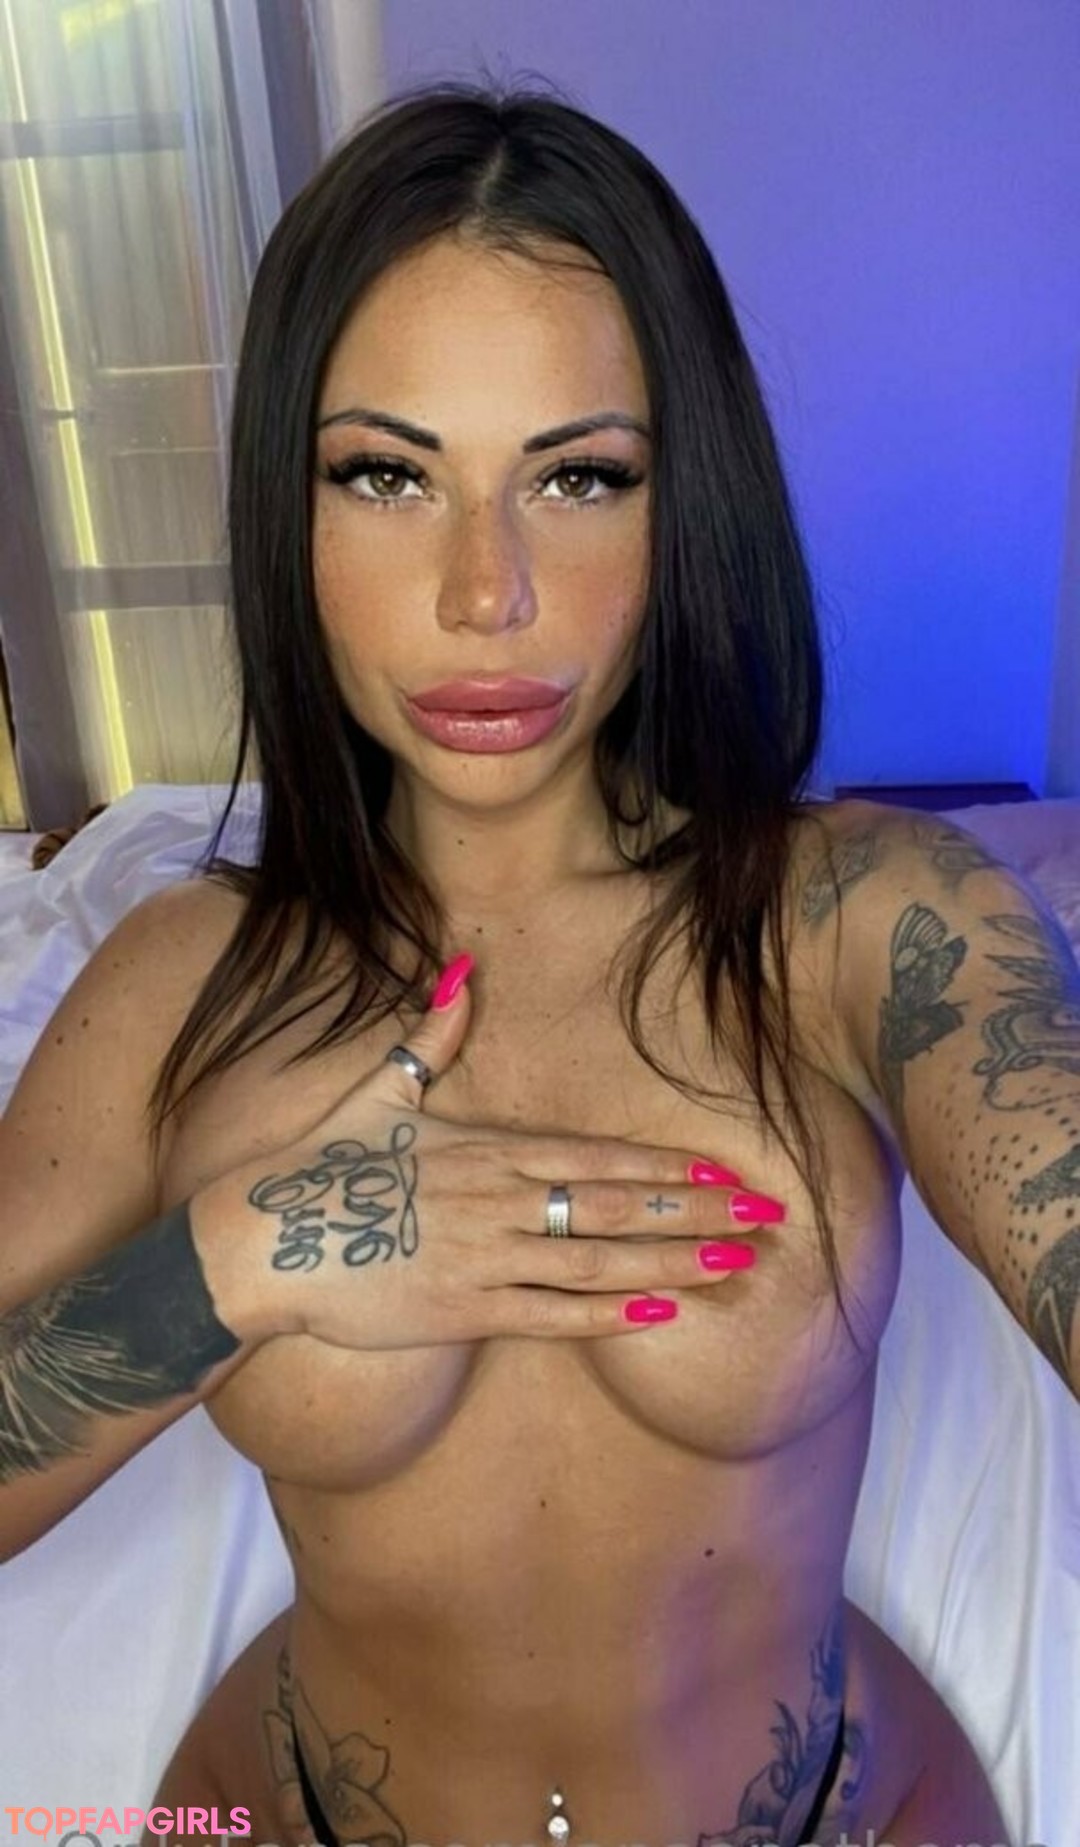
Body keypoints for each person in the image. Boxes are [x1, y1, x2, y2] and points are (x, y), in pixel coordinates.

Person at [2, 73, 1074, 1847]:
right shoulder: (180, 981)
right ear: (290, 508)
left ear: (683, 504)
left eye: (578, 477)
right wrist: (241, 1261)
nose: (483, 593)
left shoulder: (866, 919)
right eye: (387, 475)